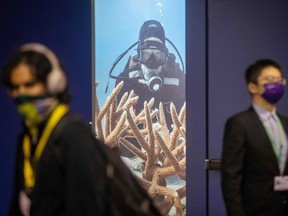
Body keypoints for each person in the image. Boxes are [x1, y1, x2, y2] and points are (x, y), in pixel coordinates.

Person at [1, 43, 160, 216]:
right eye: (14, 87)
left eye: (29, 85)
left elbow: (87, 207)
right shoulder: (26, 137)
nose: (21, 94)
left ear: (54, 83)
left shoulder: (74, 134)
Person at [221, 59, 288, 216]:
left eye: (279, 80)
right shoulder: (239, 123)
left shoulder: (285, 123)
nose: (276, 85)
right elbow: (231, 177)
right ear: (252, 87)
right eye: (269, 80)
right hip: (255, 209)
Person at [114, 20, 185, 157]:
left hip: (170, 154)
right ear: (139, 56)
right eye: (146, 54)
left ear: (165, 56)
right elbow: (116, 121)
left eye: (157, 55)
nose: (152, 61)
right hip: (133, 153)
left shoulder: (179, 80)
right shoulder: (125, 80)